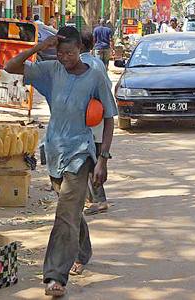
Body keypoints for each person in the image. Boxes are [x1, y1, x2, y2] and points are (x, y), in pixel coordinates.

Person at [5, 26, 117, 297]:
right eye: (60, 52)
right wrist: (39, 48)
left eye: (70, 52)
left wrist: (103, 159)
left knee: (64, 214)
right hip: (54, 150)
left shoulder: (95, 76)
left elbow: (110, 118)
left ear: (81, 49)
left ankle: (55, 277)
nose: (65, 57)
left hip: (81, 153)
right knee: (71, 211)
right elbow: (10, 66)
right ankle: (83, 250)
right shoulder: (51, 71)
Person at [79, 31, 111, 217]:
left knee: (91, 161)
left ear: (80, 46)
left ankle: (100, 200)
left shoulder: (85, 65)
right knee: (93, 159)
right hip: (97, 120)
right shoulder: (97, 62)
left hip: (90, 120)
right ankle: (93, 197)